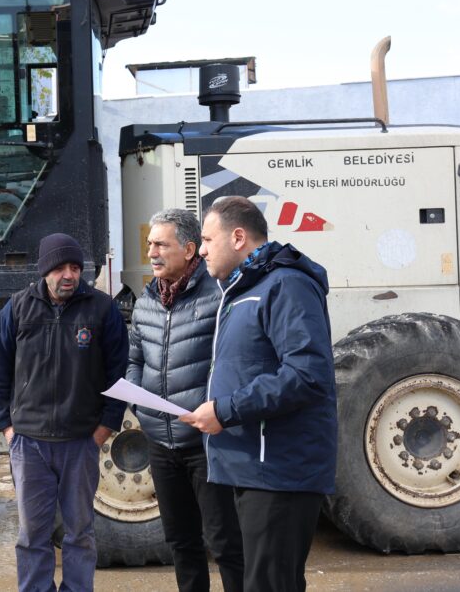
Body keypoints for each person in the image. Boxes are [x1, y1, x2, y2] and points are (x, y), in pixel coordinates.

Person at [181, 196, 337, 592]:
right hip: (253, 467)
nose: (200, 250)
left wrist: (226, 410)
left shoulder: (286, 285)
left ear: (237, 237)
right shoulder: (242, 290)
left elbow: (306, 374)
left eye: (206, 239)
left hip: (280, 472)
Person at [0, 232, 128, 592]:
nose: (69, 275)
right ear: (44, 269)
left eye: (76, 268)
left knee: (80, 532)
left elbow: (118, 376)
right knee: (32, 533)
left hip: (80, 443)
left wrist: (102, 430)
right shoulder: (18, 308)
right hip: (29, 444)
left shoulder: (101, 309)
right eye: (61, 267)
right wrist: (6, 426)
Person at [126, 208, 244, 592]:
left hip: (206, 443)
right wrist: (137, 401)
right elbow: (134, 358)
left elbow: (234, 361)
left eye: (161, 244)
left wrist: (216, 408)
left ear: (190, 249)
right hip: (161, 443)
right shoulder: (145, 301)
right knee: (181, 543)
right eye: (149, 245)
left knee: (226, 543)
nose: (152, 253)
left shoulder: (218, 297)